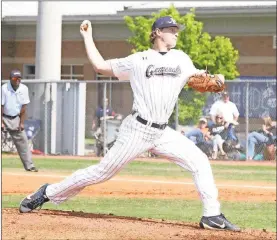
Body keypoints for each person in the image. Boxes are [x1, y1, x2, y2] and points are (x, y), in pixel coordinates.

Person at [19, 16, 240, 231]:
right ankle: (47, 192)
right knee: (101, 173)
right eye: (171, 30)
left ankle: (212, 215)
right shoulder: (137, 60)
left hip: (162, 132)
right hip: (138, 129)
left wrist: (217, 79)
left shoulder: (181, 58)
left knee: (199, 160)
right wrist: (88, 37)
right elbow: (99, 66)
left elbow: (201, 78)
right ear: (158, 33)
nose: (176, 34)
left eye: (176, 30)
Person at [1, 69, 38, 172]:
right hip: (3, 116)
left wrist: (21, 122)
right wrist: (1, 122)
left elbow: (24, 107)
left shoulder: (24, 89)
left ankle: (29, 166)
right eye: (14, 78)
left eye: (19, 78)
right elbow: (1, 106)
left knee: (23, 142)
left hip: (16, 118)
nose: (17, 80)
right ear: (10, 79)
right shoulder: (4, 88)